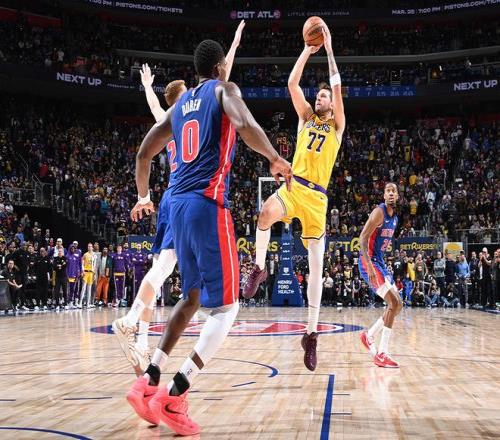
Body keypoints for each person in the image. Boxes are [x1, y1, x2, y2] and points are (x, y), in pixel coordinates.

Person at [121, 38, 292, 435]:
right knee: (227, 309)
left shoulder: (180, 104)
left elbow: (143, 154)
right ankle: (176, 394)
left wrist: (144, 196)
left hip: (176, 208)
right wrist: (273, 157)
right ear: (218, 68)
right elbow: (245, 125)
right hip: (206, 205)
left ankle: (148, 380)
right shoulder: (223, 89)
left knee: (192, 297)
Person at [113, 20, 246, 373]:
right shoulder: (191, 110)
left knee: (168, 270)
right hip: (186, 196)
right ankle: (130, 321)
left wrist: (147, 87)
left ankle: (143, 342)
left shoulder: (173, 116)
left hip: (175, 199)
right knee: (164, 269)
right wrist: (233, 46)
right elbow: (221, 80)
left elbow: (152, 125)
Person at [242, 23, 345, 371]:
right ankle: (259, 268)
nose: (319, 99)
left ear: (331, 103)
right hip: (294, 186)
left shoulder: (337, 126)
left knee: (316, 271)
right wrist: (306, 50)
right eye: (318, 97)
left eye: (324, 97)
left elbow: (336, 85)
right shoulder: (304, 118)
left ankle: (311, 335)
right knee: (264, 214)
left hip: (318, 200)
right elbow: (291, 84)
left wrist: (329, 49)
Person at [359, 183, 403, 368]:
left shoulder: (395, 218)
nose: (391, 193)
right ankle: (382, 353)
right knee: (393, 303)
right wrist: (369, 265)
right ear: (384, 195)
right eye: (388, 191)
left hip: (380, 263)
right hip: (368, 263)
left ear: (397, 196)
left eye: (394, 191)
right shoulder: (379, 212)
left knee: (398, 305)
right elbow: (362, 238)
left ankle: (369, 335)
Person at [79, 243, 96, 309]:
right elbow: (82, 264)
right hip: (85, 272)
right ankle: (80, 303)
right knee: (83, 288)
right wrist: (82, 271)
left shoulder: (94, 255)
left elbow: (94, 265)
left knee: (89, 289)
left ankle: (88, 304)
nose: (89, 247)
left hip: (91, 273)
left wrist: (94, 274)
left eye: (90, 246)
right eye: (88, 246)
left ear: (92, 247)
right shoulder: (85, 254)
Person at [66, 244, 81, 309]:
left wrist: (77, 275)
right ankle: (67, 303)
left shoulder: (76, 257)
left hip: (74, 276)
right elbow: (66, 267)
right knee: (68, 290)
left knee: (73, 289)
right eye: (71, 248)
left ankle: (71, 302)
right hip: (68, 276)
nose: (73, 249)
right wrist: (66, 275)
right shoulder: (67, 256)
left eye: (74, 248)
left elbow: (77, 266)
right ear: (69, 249)